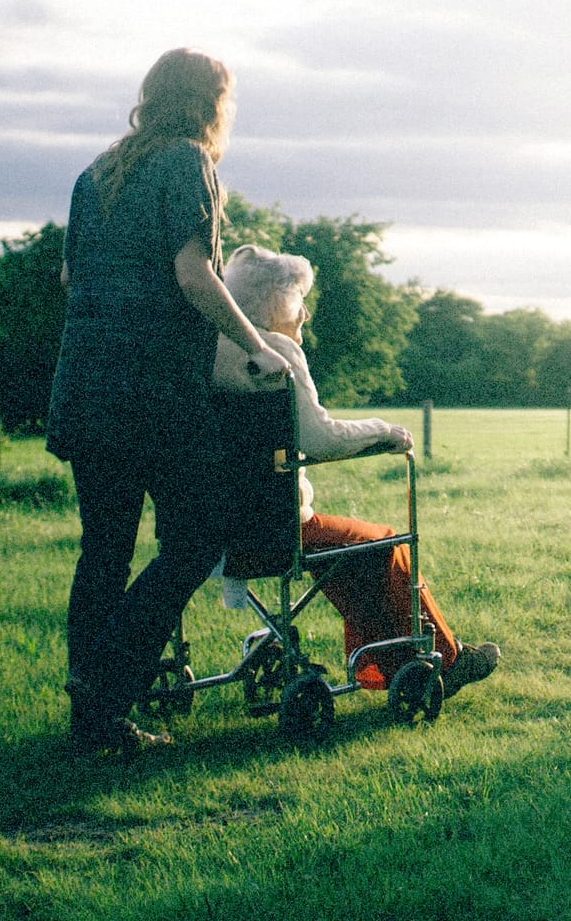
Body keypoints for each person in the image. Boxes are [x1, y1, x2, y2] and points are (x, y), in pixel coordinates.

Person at [45, 49, 290, 755]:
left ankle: (92, 723)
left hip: (85, 387)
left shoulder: (95, 175)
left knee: (106, 549)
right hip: (151, 393)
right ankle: (106, 680)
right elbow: (193, 272)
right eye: (227, 99)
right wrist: (255, 344)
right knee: (196, 539)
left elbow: (71, 276)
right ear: (209, 102)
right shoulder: (188, 163)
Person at [213, 244, 500, 696]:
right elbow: (320, 440)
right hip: (277, 529)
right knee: (384, 542)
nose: (305, 313)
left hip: (214, 531)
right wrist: (382, 430)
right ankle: (445, 658)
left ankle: (390, 667)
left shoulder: (210, 350)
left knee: (352, 552)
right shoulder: (276, 351)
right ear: (274, 304)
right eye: (298, 301)